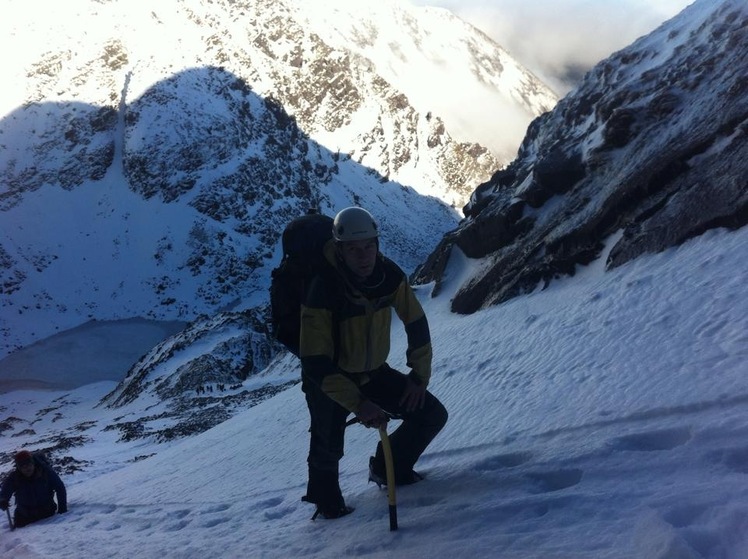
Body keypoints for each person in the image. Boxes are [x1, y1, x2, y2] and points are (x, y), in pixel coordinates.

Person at [299, 206, 448, 519]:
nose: (364, 256)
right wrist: (358, 403)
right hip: (330, 378)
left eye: (369, 247)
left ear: (378, 245)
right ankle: (328, 506)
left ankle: (388, 468)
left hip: (372, 372)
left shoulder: (389, 276)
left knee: (430, 414)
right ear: (340, 251)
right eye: (353, 250)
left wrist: (419, 378)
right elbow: (314, 363)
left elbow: (416, 322)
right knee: (328, 441)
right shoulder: (323, 289)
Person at [0, 450, 67, 528]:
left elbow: (60, 487)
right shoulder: (14, 478)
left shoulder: (45, 472)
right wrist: (2, 501)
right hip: (24, 518)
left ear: (33, 463)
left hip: (47, 514)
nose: (27, 468)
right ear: (19, 468)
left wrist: (62, 509)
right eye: (23, 466)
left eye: (29, 464)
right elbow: (4, 492)